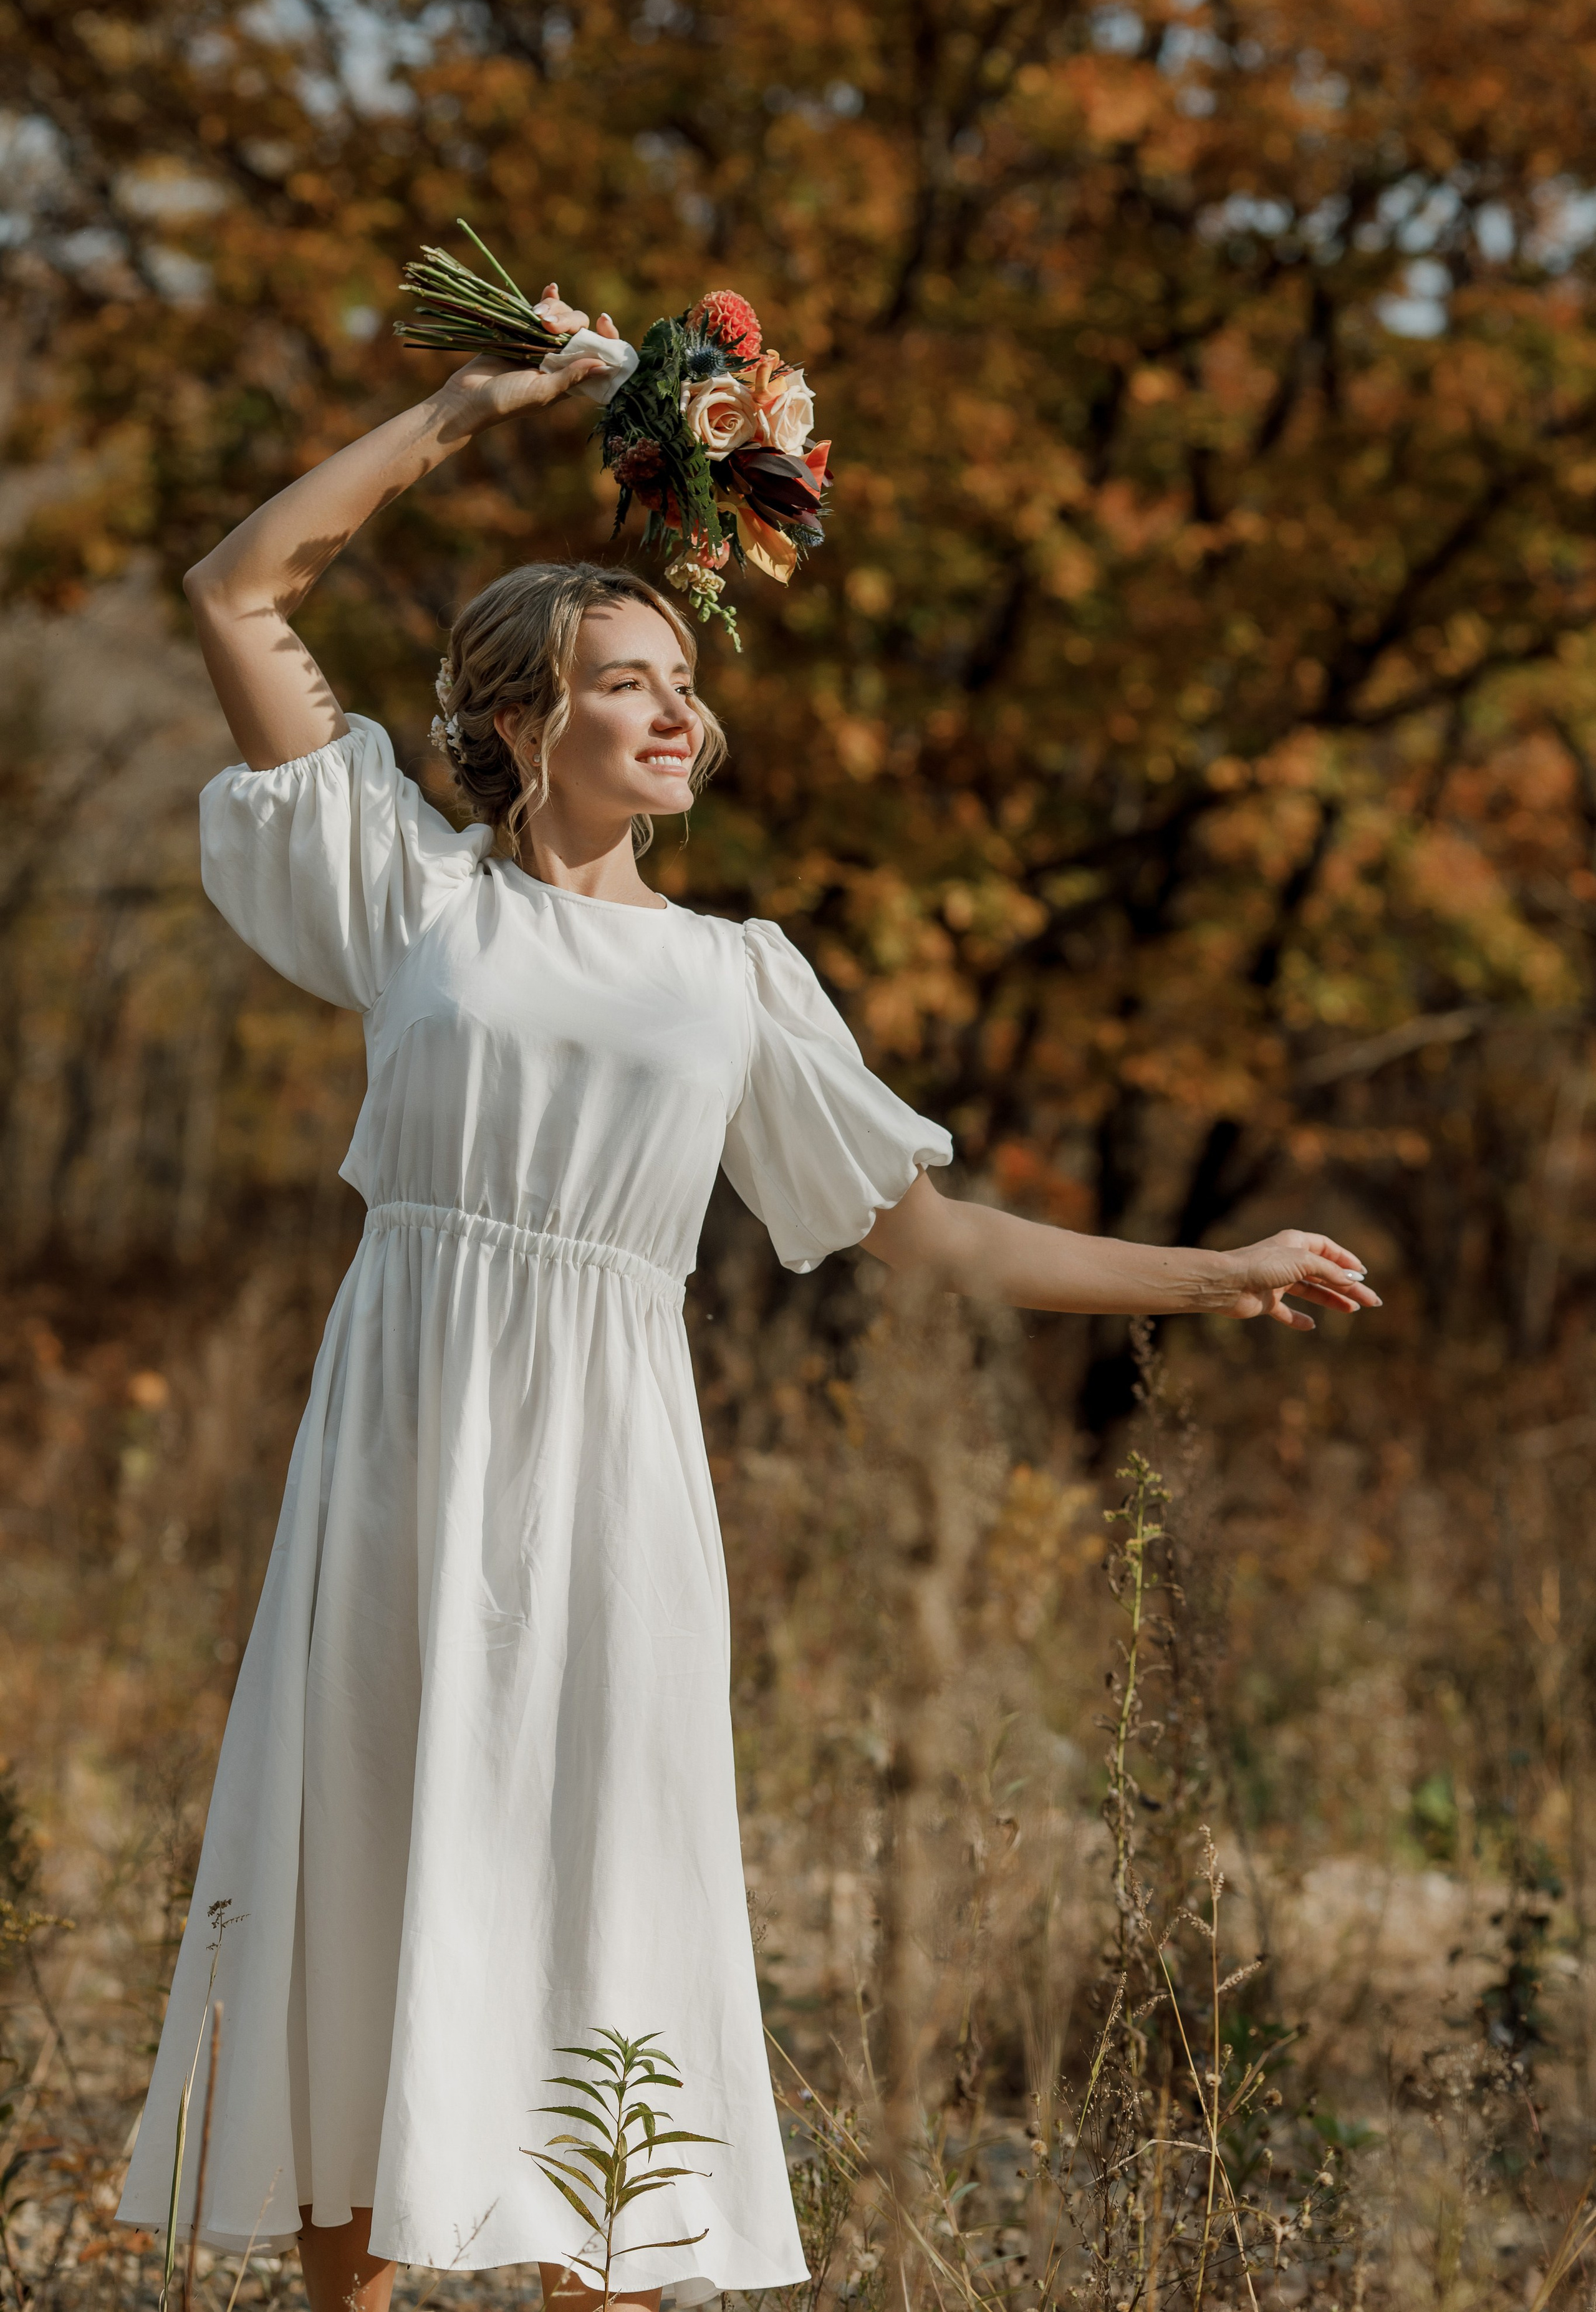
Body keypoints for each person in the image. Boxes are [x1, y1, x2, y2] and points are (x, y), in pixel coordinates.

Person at [115, 285, 1379, 2312]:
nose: (678, 707)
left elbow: (934, 1232)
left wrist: (1211, 1271)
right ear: (521, 721)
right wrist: (468, 402)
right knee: (362, 1862)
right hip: (399, 1444)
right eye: (625, 678)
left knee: (594, 1889)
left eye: (686, 676)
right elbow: (241, 590)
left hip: (609, 1473)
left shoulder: (741, 978)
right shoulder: (418, 895)